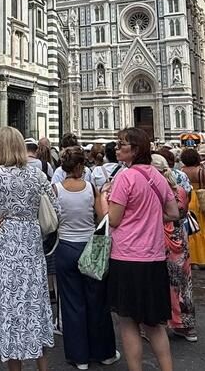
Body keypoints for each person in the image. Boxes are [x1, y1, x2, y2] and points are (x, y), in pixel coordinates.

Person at [0, 126, 60, 370]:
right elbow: (56, 211)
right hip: (30, 243)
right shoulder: (37, 175)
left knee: (9, 304)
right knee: (34, 302)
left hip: (4, 241)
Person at [105, 127, 180, 371]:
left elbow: (113, 219)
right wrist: (148, 218)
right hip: (154, 257)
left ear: (135, 150)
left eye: (121, 145)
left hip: (126, 257)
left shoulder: (124, 178)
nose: (116, 149)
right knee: (154, 324)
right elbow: (173, 212)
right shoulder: (156, 176)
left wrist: (101, 201)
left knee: (128, 323)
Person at [53, 147, 117, 370]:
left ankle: (79, 358)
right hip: (91, 248)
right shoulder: (91, 188)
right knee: (97, 301)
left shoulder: (56, 189)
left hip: (66, 248)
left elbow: (52, 221)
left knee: (72, 304)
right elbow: (102, 218)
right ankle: (105, 353)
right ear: (81, 167)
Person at [150, 154, 196, 343]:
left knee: (158, 282)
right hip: (180, 240)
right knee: (183, 284)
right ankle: (186, 327)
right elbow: (183, 212)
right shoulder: (180, 191)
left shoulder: (155, 192)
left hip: (159, 239)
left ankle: (155, 326)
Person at [179, 147, 205, 269]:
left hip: (188, 199)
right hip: (201, 201)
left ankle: (193, 259)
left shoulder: (181, 171)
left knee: (191, 230)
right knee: (204, 229)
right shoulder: (200, 171)